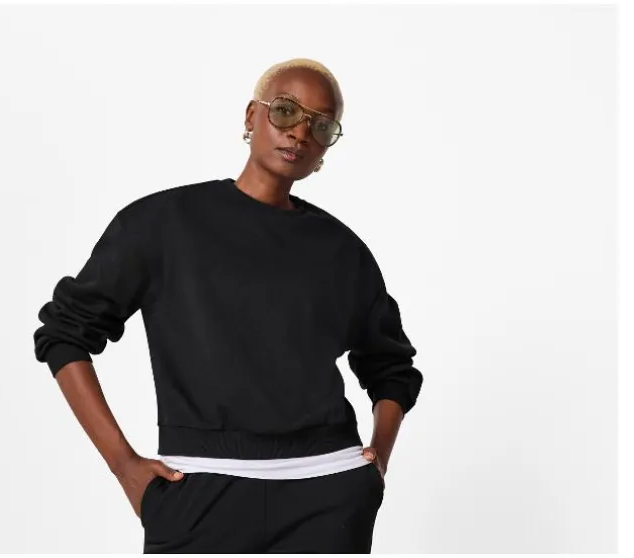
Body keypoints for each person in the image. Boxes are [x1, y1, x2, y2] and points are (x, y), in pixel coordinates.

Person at [33, 57, 424, 554]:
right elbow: (64, 335)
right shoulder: (162, 223)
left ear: (327, 146)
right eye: (285, 110)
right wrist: (123, 465)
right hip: (197, 490)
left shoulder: (342, 251)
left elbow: (391, 366)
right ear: (251, 116)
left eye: (321, 125)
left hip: (328, 496)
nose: (299, 132)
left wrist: (376, 463)